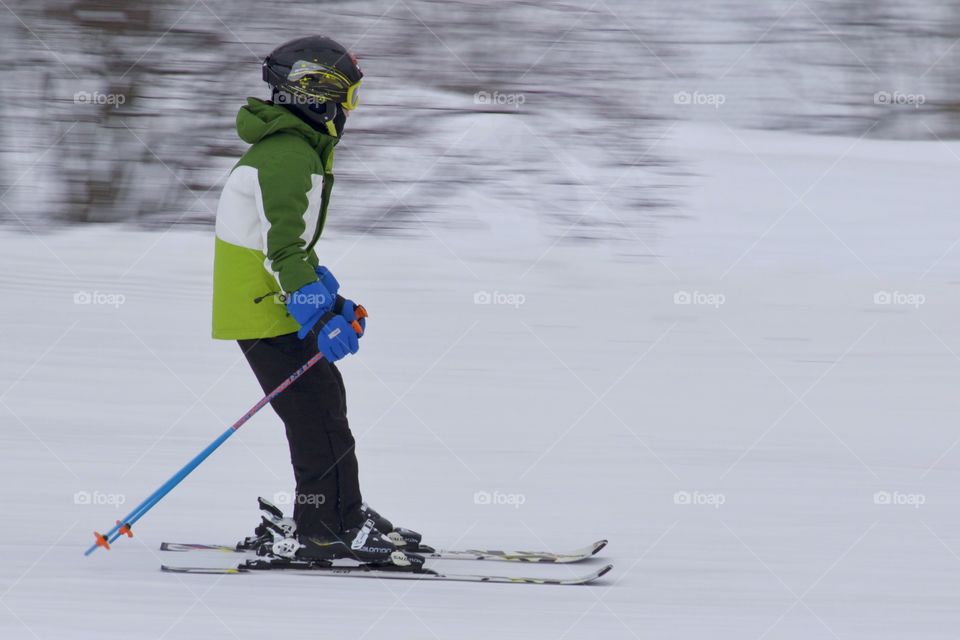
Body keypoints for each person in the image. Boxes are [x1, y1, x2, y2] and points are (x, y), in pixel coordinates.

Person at [211, 35, 420, 568]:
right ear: (315, 94)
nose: (350, 110)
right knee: (317, 420)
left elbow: (292, 251)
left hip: (270, 304)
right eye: (347, 96)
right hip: (265, 311)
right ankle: (323, 528)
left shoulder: (291, 150)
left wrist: (332, 301)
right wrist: (317, 311)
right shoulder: (288, 156)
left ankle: (342, 514)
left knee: (325, 411)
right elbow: (283, 252)